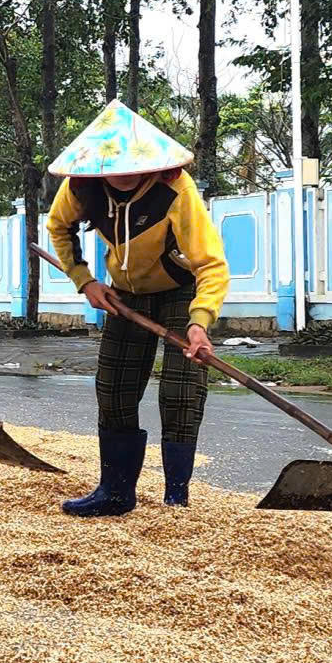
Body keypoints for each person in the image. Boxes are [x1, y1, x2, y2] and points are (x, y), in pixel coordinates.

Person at [43, 101, 230, 515]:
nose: (122, 173)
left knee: (181, 391)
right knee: (113, 391)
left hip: (180, 292)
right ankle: (115, 492)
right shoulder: (80, 185)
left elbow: (211, 263)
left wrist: (200, 323)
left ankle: (176, 501)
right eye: (113, 165)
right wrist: (84, 280)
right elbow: (58, 227)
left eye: (131, 164)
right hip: (123, 295)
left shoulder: (174, 188)